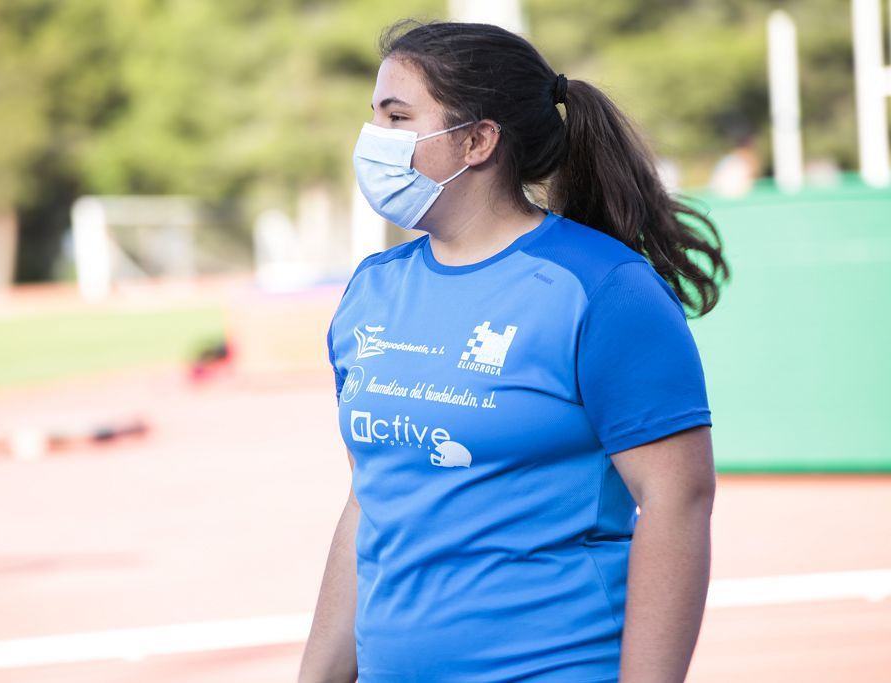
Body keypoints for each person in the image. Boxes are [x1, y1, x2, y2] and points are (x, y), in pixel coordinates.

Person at [299, 20, 729, 683]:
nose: (374, 141)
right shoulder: (373, 289)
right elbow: (371, 497)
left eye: (398, 117)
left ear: (478, 140)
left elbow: (679, 499)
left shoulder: (601, 288)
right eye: (374, 118)